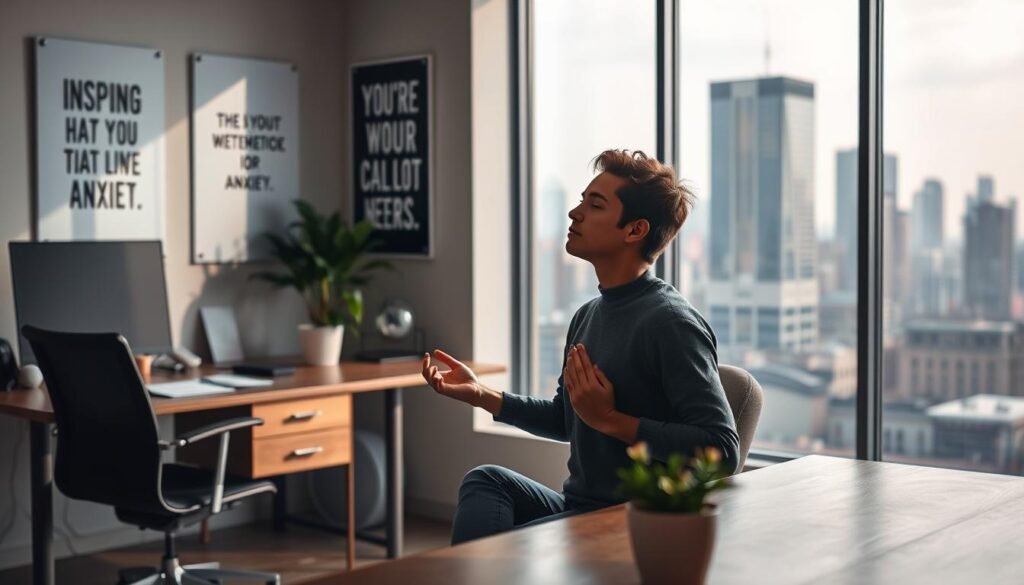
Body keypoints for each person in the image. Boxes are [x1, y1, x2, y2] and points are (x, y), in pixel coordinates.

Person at [421, 149, 739, 545]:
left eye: (595, 204)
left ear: (635, 230)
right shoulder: (587, 315)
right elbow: (566, 420)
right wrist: (482, 395)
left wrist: (610, 418)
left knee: (503, 549)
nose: (575, 213)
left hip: (629, 523)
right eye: (581, 201)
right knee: (486, 481)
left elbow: (723, 450)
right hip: (577, 507)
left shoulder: (669, 323)